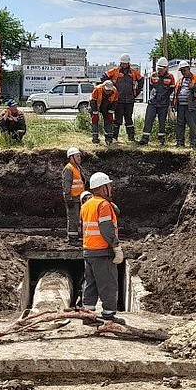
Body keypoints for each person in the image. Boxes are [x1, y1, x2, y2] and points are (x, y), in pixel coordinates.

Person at [79, 171, 124, 323]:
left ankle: (88, 314)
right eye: (108, 185)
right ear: (103, 188)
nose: (111, 188)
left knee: (90, 284)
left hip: (88, 251)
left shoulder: (86, 205)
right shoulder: (103, 205)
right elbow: (106, 228)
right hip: (102, 251)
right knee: (108, 283)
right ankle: (108, 314)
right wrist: (116, 246)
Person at [103, 53, 143, 142]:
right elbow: (104, 77)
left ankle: (131, 138)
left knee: (129, 119)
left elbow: (141, 80)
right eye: (123, 63)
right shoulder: (115, 71)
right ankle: (114, 137)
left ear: (128, 63)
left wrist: (136, 93)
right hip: (118, 100)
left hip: (129, 100)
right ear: (120, 63)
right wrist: (109, 91)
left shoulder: (133, 72)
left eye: (126, 63)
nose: (124, 65)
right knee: (117, 120)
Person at [140, 58, 175, 145]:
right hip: (153, 103)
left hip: (163, 104)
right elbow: (151, 87)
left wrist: (164, 97)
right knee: (148, 120)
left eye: (161, 69)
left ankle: (161, 140)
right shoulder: (153, 75)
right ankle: (145, 139)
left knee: (162, 122)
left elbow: (172, 89)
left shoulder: (170, 77)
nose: (159, 71)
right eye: (158, 68)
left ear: (166, 68)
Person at [171, 59, 196, 148]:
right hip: (181, 106)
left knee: (192, 125)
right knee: (180, 125)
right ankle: (180, 142)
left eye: (184, 70)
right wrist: (174, 105)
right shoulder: (180, 80)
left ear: (189, 69)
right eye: (181, 71)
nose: (183, 72)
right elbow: (176, 93)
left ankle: (193, 143)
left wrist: (194, 87)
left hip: (191, 106)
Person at [62, 146, 86, 244]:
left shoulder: (77, 168)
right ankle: (72, 238)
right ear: (71, 157)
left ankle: (76, 236)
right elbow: (66, 184)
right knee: (73, 218)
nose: (79, 158)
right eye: (77, 156)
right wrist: (68, 197)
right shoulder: (69, 169)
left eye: (79, 156)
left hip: (79, 197)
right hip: (73, 198)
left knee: (78, 218)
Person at [90, 78, 118, 145]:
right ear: (103, 87)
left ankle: (109, 139)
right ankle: (95, 139)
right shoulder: (97, 89)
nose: (108, 91)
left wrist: (111, 111)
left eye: (109, 90)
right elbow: (93, 100)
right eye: (106, 90)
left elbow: (115, 102)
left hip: (107, 106)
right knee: (95, 121)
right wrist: (95, 112)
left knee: (109, 121)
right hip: (96, 105)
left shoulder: (115, 90)